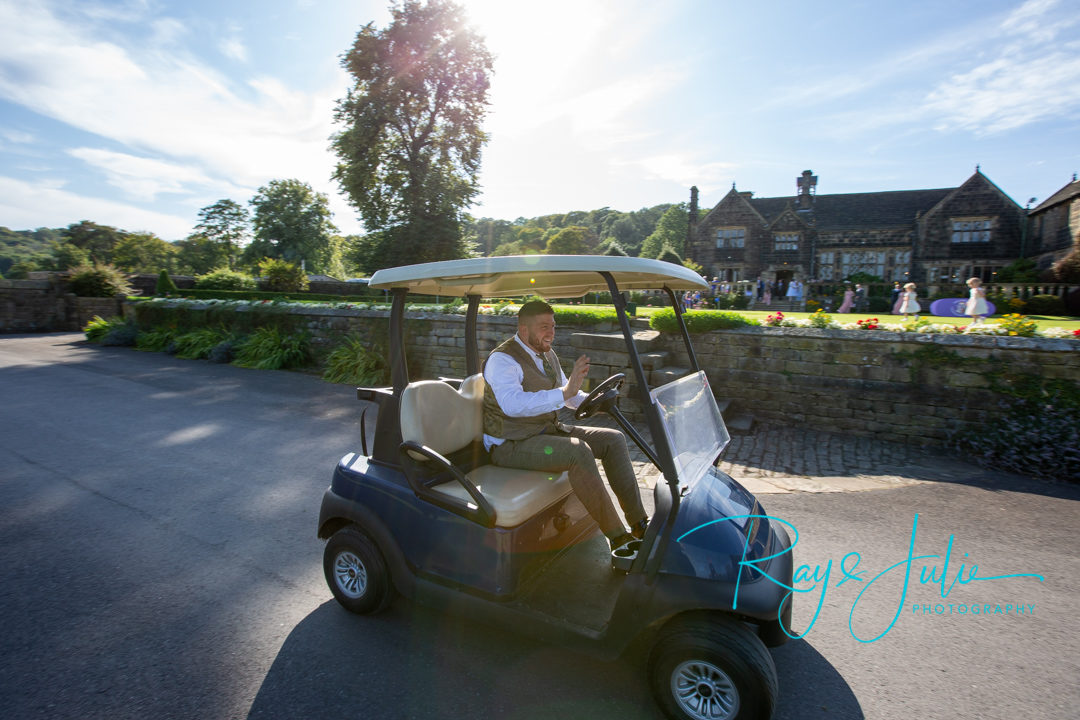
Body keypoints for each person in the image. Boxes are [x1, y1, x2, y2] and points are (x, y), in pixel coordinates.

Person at [482, 300, 647, 552]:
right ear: (524, 329)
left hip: (544, 432)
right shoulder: (503, 360)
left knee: (613, 439)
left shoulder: (547, 354)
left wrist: (595, 400)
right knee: (577, 451)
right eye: (544, 327)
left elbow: (567, 395)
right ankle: (618, 537)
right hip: (509, 443)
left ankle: (639, 523)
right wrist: (565, 391)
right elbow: (512, 405)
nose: (551, 333)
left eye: (553, 326)